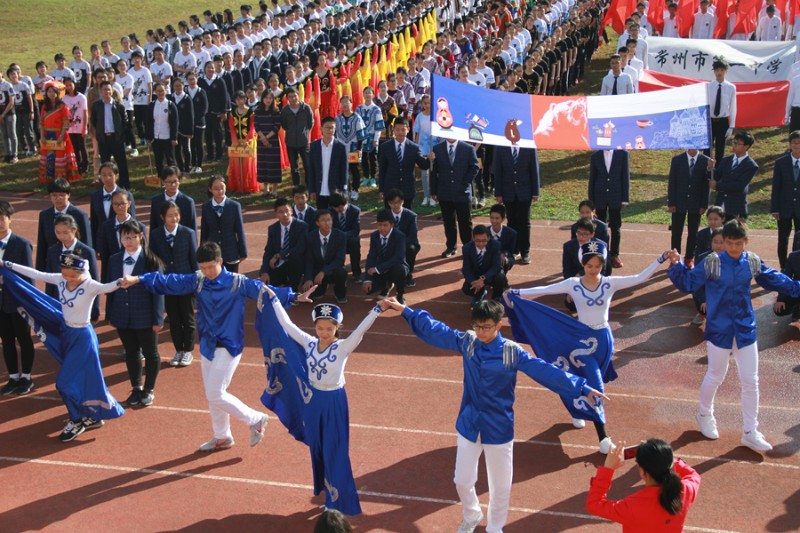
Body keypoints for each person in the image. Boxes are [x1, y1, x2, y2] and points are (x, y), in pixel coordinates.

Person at [381, 297, 607, 533]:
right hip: (469, 423)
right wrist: (407, 311)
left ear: (499, 325)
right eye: (477, 326)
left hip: (498, 427)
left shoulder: (511, 352)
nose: (480, 332)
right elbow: (437, 331)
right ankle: (472, 513)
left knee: (500, 486)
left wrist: (581, 387)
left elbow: (545, 370)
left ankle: (495, 527)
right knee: (462, 480)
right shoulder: (468, 342)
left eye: (486, 327)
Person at [120, 241, 306, 451]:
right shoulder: (198, 280)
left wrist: (294, 296)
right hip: (208, 345)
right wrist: (138, 279)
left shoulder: (238, 282)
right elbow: (171, 281)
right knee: (213, 394)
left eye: (211, 267)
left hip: (229, 346)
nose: (207, 272)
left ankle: (255, 419)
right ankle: (222, 436)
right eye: (203, 267)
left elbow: (265, 291)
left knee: (215, 393)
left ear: (220, 261)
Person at [512, 242, 670, 453]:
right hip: (581, 341)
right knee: (594, 384)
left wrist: (661, 259)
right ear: (582, 264)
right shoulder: (573, 284)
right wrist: (517, 293)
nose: (594, 270)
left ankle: (575, 409)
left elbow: (640, 278)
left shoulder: (609, 283)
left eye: (597, 266)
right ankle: (603, 438)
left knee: (579, 378)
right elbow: (544, 290)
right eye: (589, 266)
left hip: (604, 340)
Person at [668, 219, 800, 453]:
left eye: (738, 243)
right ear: (723, 242)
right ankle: (704, 414)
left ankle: (750, 431)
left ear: (745, 242)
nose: (733, 248)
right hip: (720, 328)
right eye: (729, 243)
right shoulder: (712, 262)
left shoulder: (751, 261)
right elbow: (688, 283)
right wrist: (677, 265)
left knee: (751, 380)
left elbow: (774, 279)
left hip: (745, 328)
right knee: (716, 374)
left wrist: (796, 287)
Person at [260, 285, 382, 514]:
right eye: (320, 327)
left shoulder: (344, 346)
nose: (324, 332)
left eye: (329, 328)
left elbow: (361, 332)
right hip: (314, 401)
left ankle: (337, 501)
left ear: (338, 328)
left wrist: (376, 310)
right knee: (317, 447)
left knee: (335, 448)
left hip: (334, 400)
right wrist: (275, 300)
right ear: (315, 327)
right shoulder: (308, 342)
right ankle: (326, 489)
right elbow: (287, 326)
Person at [1, 253, 125, 442]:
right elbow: (36, 273)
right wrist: (6, 264)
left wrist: (124, 281)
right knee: (80, 378)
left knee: (64, 383)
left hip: (83, 338)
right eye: (65, 274)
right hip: (66, 334)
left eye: (73, 275)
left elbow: (107, 287)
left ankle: (77, 419)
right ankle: (90, 414)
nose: (69, 279)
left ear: (82, 271)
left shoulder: (89, 285)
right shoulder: (60, 279)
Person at [107, 221, 164, 407]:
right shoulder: (114, 259)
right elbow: (110, 288)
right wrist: (111, 314)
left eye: (132, 236)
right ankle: (136, 387)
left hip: (145, 316)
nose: (129, 241)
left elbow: (158, 290)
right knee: (131, 352)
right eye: (125, 237)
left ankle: (149, 389)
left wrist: (157, 318)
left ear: (140, 236)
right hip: (123, 314)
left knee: (151, 352)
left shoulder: (151, 260)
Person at [586, 438, 701, 531]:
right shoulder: (686, 490)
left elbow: (594, 504)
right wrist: (663, 458)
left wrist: (608, 469)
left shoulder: (632, 505)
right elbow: (693, 475)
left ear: (643, 472)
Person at [149, 199, 198, 367]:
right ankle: (178, 349)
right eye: (170, 215)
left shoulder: (188, 233)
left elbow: (194, 259)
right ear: (162, 217)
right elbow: (153, 259)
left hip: (186, 283)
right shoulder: (155, 235)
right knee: (174, 319)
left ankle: (188, 350)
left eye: (176, 215)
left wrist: (196, 280)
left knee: (188, 317)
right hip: (167, 284)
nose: (174, 218)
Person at [0, 201, 36, 396]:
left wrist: (27, 302)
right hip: (0, 303)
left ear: (9, 219)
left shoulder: (21, 244)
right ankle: (13, 376)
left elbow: (28, 276)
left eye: (1, 219)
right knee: (6, 340)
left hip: (18, 301)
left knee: (23, 338)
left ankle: (27, 377)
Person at [431, 137, 479, 258]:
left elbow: (475, 167)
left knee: (465, 222)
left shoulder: (468, 148)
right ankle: (451, 247)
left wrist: (464, 182)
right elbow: (434, 170)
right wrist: (433, 190)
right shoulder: (437, 148)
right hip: (444, 192)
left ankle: (468, 248)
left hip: (462, 192)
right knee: (448, 222)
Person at [493, 144, 540, 265]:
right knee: (511, 221)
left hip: (525, 191)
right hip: (508, 192)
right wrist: (498, 192)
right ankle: (514, 249)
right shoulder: (501, 147)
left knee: (524, 222)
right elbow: (498, 170)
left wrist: (536, 191)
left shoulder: (529, 146)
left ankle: (525, 251)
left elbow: (534, 170)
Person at [36, 178, 92, 271]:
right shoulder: (45, 215)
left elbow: (86, 242)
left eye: (62, 195)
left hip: (75, 264)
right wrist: (40, 268)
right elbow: (42, 242)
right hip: (53, 263)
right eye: (54, 195)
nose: (58, 198)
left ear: (68, 195)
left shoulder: (80, 215)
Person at [667, 149, 711, 264]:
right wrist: (671, 202)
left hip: (696, 203)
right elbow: (672, 181)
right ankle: (675, 258)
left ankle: (689, 258)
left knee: (693, 232)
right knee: (676, 232)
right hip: (679, 202)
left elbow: (707, 185)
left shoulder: (706, 161)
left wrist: (703, 204)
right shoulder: (677, 160)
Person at [589, 149, 629, 269]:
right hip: (599, 196)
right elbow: (592, 178)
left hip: (616, 196)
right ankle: (601, 253)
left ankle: (614, 255)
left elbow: (625, 176)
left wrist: (624, 199)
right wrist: (591, 202)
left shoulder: (622, 154)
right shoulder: (595, 156)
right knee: (599, 227)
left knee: (616, 227)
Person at [379, 117, 430, 209]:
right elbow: (382, 169)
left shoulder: (414, 148)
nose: (400, 132)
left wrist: (431, 158)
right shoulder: (385, 147)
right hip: (390, 188)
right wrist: (381, 189)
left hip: (407, 190)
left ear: (408, 130)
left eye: (403, 129)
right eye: (397, 129)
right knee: (390, 218)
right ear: (393, 130)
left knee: (407, 218)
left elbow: (424, 165)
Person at [97, 189, 146, 282]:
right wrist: (105, 280)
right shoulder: (106, 226)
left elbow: (144, 254)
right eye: (116, 204)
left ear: (129, 204)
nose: (119, 207)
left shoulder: (140, 227)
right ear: (112, 204)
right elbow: (105, 255)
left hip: (135, 275)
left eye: (123, 203)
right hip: (114, 275)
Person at [200, 175, 247, 273]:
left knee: (231, 282)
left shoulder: (234, 206)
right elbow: (204, 231)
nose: (220, 191)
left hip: (231, 252)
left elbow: (239, 230)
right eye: (216, 189)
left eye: (222, 188)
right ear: (210, 189)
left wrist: (243, 252)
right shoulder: (206, 207)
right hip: (212, 253)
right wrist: (202, 250)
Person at [260, 197, 308, 289]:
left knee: (295, 258)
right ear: (276, 214)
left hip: (295, 262)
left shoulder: (302, 226)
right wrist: (264, 271)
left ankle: (293, 289)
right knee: (268, 281)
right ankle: (284, 281)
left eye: (287, 210)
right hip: (280, 263)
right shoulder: (273, 228)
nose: (285, 214)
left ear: (292, 211)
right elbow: (268, 250)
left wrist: (279, 255)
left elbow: (300, 248)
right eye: (280, 212)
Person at [710, 130, 757, 221]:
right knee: (718, 233)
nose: (734, 146)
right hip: (721, 203)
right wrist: (710, 168)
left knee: (734, 234)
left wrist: (718, 186)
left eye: (738, 144)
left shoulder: (751, 165)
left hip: (736, 207)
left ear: (746, 146)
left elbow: (739, 185)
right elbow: (716, 176)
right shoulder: (726, 160)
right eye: (734, 142)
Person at [362, 209, 408, 304]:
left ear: (392, 225)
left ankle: (400, 295)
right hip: (381, 269)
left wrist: (378, 268)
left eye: (385, 225)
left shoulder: (399, 236)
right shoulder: (374, 236)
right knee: (369, 290)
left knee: (399, 269)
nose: (382, 228)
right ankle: (387, 286)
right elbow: (371, 256)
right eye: (379, 225)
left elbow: (398, 258)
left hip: (395, 267)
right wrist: (367, 279)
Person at [38, 80, 80, 183]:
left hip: (59, 134)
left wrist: (61, 135)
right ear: (46, 93)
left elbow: (66, 123)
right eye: (49, 92)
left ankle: (60, 178)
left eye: (53, 92)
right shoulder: (44, 106)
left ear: (57, 93)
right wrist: (42, 136)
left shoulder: (62, 106)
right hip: (47, 134)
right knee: (49, 156)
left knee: (60, 157)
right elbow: (42, 123)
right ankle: (49, 178)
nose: (51, 94)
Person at [91, 81, 131, 188]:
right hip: (103, 139)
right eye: (104, 89)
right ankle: (107, 185)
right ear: (101, 91)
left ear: (112, 90)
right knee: (105, 164)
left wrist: (121, 135)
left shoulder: (119, 106)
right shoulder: (96, 106)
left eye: (109, 89)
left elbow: (125, 122)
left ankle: (125, 185)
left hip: (116, 138)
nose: (107, 92)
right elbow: (94, 121)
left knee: (121, 163)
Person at [303, 209, 348, 303]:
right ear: (317, 223)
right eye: (323, 220)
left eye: (329, 220)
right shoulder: (310, 237)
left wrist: (323, 272)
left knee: (341, 272)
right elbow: (309, 259)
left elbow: (340, 260)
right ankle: (322, 288)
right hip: (317, 270)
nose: (327, 223)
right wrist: (308, 278)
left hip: (333, 269)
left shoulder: (341, 236)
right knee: (314, 295)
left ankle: (340, 293)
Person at [770, 131, 800, 269]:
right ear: (790, 144)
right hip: (784, 208)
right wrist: (775, 208)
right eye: (794, 143)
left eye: (799, 143)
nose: (797, 145)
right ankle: (784, 266)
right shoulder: (781, 162)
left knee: (799, 239)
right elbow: (776, 187)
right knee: (783, 239)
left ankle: (797, 266)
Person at [308, 117, 348, 209]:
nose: (329, 130)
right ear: (321, 128)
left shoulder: (340, 147)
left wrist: (343, 191)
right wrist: (312, 190)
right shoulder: (314, 146)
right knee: (321, 217)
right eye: (327, 127)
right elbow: (311, 170)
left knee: (334, 219)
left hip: (335, 191)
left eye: (332, 128)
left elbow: (344, 171)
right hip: (320, 190)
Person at [462, 224, 507, 306]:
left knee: (500, 276)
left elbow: (496, 266)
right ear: (473, 238)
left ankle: (496, 297)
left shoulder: (495, 245)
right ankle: (480, 293)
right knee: (466, 289)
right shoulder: (467, 248)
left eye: (484, 240)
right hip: (476, 275)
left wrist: (482, 279)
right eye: (477, 240)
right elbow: (466, 269)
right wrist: (473, 282)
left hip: (490, 275)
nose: (481, 244)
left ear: (489, 238)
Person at [385, 188, 420, 287]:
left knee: (411, 249)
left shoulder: (411, 216)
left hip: (407, 243)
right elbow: (382, 233)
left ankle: (408, 275)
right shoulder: (385, 215)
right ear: (388, 203)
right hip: (390, 243)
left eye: (398, 202)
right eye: (393, 202)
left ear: (403, 202)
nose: (396, 205)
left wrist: (399, 245)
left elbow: (412, 236)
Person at [280, 87, 314, 186]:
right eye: (290, 97)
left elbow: (310, 123)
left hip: (304, 141)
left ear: (298, 96)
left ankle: (309, 186)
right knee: (294, 167)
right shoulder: (285, 110)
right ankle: (296, 186)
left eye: (295, 96)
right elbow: (284, 125)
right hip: (290, 142)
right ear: (287, 98)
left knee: (307, 165)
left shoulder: (306, 108)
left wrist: (304, 132)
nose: (293, 98)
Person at [335, 95, 367, 201]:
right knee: (343, 170)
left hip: (353, 148)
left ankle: (355, 190)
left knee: (354, 169)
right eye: (342, 102)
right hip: (340, 150)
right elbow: (334, 135)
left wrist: (359, 148)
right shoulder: (338, 119)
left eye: (347, 102)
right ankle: (345, 190)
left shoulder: (357, 118)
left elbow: (361, 134)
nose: (345, 104)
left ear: (351, 104)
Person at [149, 165, 197, 234]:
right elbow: (153, 226)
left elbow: (192, 228)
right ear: (163, 182)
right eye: (169, 182)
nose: (173, 185)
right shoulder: (156, 201)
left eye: (175, 181)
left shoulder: (188, 202)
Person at [228, 90, 259, 193]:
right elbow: (232, 128)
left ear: (245, 99)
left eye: (241, 99)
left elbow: (253, 128)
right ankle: (238, 186)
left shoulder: (250, 112)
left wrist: (247, 140)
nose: (239, 101)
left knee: (247, 166)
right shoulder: (232, 113)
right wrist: (235, 140)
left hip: (248, 142)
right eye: (237, 99)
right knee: (236, 165)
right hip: (236, 142)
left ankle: (247, 187)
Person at [707, 60, 737, 166]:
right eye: (717, 70)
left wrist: (731, 126)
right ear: (714, 72)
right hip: (710, 120)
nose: (719, 73)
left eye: (722, 70)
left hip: (723, 120)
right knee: (707, 148)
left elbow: (733, 107)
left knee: (720, 149)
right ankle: (707, 171)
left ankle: (718, 171)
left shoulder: (731, 87)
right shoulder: (708, 86)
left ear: (726, 71)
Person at [254, 90, 282, 197]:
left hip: (273, 140)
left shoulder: (276, 111)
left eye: (270, 98)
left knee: (273, 164)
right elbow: (256, 126)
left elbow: (276, 126)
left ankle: (274, 189)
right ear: (262, 99)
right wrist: (263, 138)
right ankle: (266, 189)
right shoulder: (258, 111)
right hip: (261, 141)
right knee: (263, 164)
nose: (268, 100)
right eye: (266, 98)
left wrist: (267, 138)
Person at [145, 83, 179, 174]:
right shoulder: (152, 105)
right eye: (158, 91)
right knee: (158, 160)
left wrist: (174, 137)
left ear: (165, 91)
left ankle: (173, 177)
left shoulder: (170, 105)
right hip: (156, 137)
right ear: (155, 92)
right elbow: (148, 122)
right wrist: (148, 136)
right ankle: (161, 178)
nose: (160, 93)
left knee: (170, 159)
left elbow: (175, 123)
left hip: (167, 137)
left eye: (162, 91)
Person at [330, 191, 363, 283]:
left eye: (340, 207)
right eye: (335, 207)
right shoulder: (329, 212)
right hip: (335, 240)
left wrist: (343, 236)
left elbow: (356, 230)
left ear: (346, 202)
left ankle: (357, 274)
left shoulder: (355, 210)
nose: (338, 209)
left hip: (349, 239)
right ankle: (334, 272)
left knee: (355, 241)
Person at [356, 86, 385, 188]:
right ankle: (365, 177)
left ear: (373, 95)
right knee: (363, 157)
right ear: (363, 95)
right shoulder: (359, 108)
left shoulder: (376, 109)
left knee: (373, 158)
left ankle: (373, 177)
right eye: (366, 92)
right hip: (362, 137)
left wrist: (376, 139)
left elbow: (378, 125)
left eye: (370, 93)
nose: (368, 94)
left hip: (372, 136)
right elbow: (356, 124)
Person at [61, 77, 88, 176]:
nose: (68, 87)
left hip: (80, 127)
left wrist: (85, 127)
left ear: (74, 84)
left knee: (82, 147)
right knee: (74, 149)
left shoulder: (81, 97)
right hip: (70, 128)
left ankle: (85, 168)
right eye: (66, 85)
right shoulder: (64, 98)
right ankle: (77, 167)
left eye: (70, 84)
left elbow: (85, 113)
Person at [168, 77, 194, 175]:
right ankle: (180, 168)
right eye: (176, 85)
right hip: (174, 130)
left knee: (186, 149)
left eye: (180, 85)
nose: (178, 87)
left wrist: (190, 131)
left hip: (185, 130)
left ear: (183, 86)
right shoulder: (170, 98)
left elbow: (191, 116)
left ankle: (187, 169)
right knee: (177, 150)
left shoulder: (187, 99)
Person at [186, 71, 208, 173]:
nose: (191, 81)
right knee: (192, 145)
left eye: (193, 79)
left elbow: (205, 108)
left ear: (197, 79)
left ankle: (199, 165)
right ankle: (193, 164)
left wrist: (196, 119)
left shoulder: (201, 91)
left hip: (199, 123)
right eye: (189, 79)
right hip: (189, 124)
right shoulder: (185, 92)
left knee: (199, 144)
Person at [775, 243, 800, 326]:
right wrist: (781, 299)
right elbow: (785, 279)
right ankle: (797, 308)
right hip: (797, 289)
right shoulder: (793, 257)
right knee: (780, 310)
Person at [488, 204, 517, 275]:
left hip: (504, 257)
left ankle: (502, 278)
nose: (494, 221)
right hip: (487, 256)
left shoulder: (512, 233)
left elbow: (510, 251)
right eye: (492, 218)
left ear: (503, 219)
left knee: (504, 259)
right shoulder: (484, 233)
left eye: (497, 218)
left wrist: (503, 254)